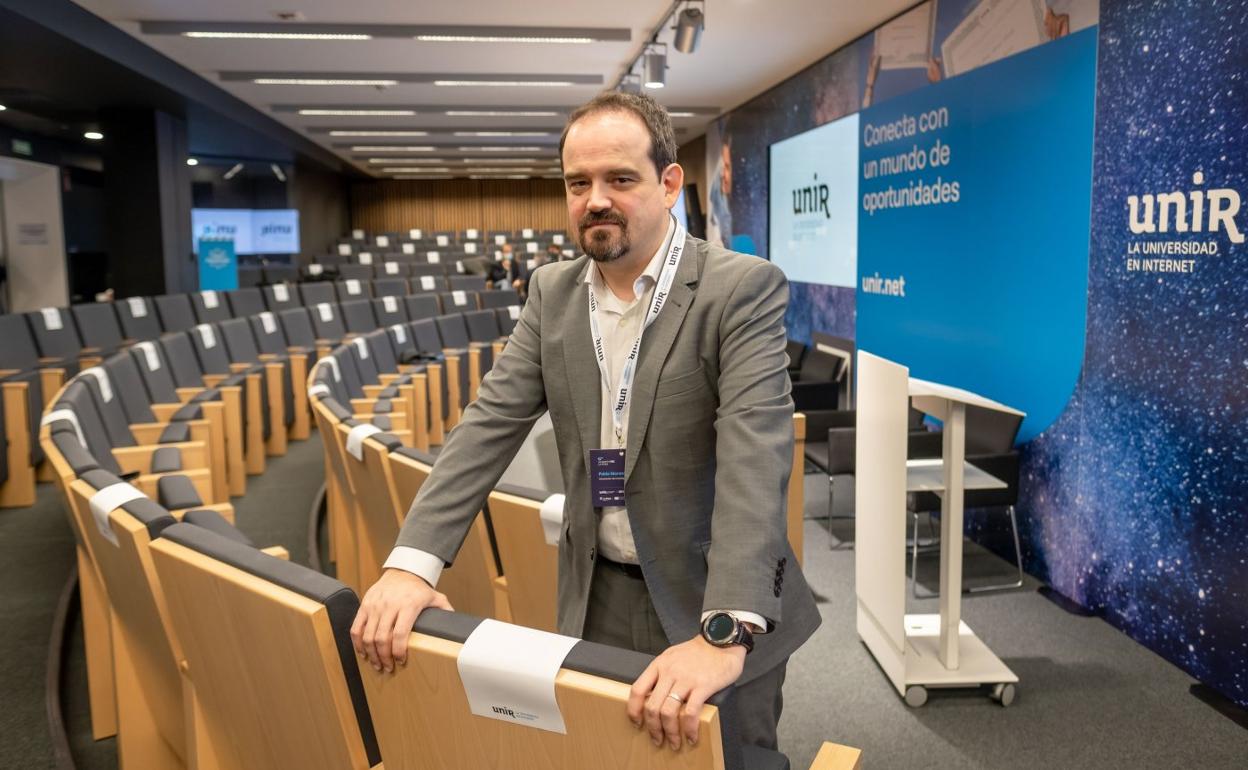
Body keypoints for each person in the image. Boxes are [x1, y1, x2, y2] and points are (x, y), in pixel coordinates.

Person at [351, 91, 819, 753]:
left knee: (728, 761)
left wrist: (725, 631)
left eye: (620, 179)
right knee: (607, 755)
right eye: (578, 183)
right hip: (595, 593)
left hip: (709, 595)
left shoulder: (738, 288)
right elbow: (487, 424)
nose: (595, 199)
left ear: (668, 183)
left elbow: (755, 455)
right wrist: (410, 566)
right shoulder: (552, 292)